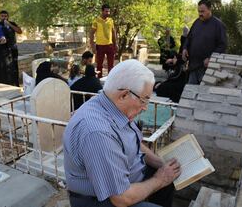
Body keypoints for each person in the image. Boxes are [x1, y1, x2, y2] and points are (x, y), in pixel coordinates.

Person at [64, 59, 181, 207]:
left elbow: (135, 143)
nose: (145, 107)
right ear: (124, 95)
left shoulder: (113, 106)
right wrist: (160, 179)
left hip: (130, 178)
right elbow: (121, 198)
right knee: (163, 184)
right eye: (144, 100)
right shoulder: (98, 133)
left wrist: (161, 164)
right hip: (101, 201)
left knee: (168, 185)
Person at [182, 0, 227, 85]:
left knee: (204, 93)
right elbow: (189, 38)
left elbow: (222, 45)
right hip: (193, 66)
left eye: (202, 11)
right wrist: (185, 48)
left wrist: (211, 58)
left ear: (210, 10)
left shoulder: (218, 25)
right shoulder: (196, 22)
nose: (200, 14)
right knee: (190, 93)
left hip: (207, 69)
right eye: (199, 11)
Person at [90, 4, 118, 78]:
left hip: (110, 46)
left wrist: (116, 44)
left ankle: (110, 79)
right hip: (100, 46)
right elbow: (91, 33)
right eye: (106, 11)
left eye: (109, 11)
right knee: (99, 65)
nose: (108, 13)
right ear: (102, 11)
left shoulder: (111, 20)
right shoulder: (96, 21)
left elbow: (113, 32)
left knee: (111, 65)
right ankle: (99, 79)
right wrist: (93, 46)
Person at [0, 10, 22, 86]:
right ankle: (7, 84)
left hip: (13, 49)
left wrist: (10, 24)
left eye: (5, 16)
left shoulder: (12, 23)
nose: (4, 18)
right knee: (5, 68)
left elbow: (19, 31)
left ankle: (16, 84)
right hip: (3, 50)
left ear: (8, 16)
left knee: (14, 67)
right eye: (2, 16)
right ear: (0, 16)